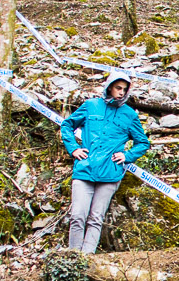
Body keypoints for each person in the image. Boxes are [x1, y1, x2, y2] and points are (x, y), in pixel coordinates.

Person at [59, 74, 150, 253]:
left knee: (96, 218)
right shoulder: (91, 106)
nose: (121, 92)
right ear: (109, 87)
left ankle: (87, 258)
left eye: (124, 89)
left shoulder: (129, 115)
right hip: (85, 170)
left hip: (110, 174)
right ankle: (73, 257)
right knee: (77, 216)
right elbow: (67, 125)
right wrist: (74, 149)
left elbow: (143, 143)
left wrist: (127, 155)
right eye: (118, 88)